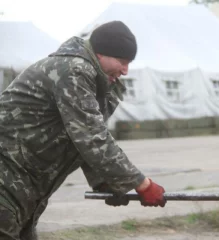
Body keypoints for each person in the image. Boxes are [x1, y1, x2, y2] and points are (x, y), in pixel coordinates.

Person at [0, 21, 166, 240]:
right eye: (122, 61)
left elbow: (78, 137)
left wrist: (105, 182)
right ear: (101, 53)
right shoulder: (74, 71)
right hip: (7, 177)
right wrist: (142, 184)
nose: (125, 70)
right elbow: (91, 137)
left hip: (23, 184)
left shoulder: (94, 81)